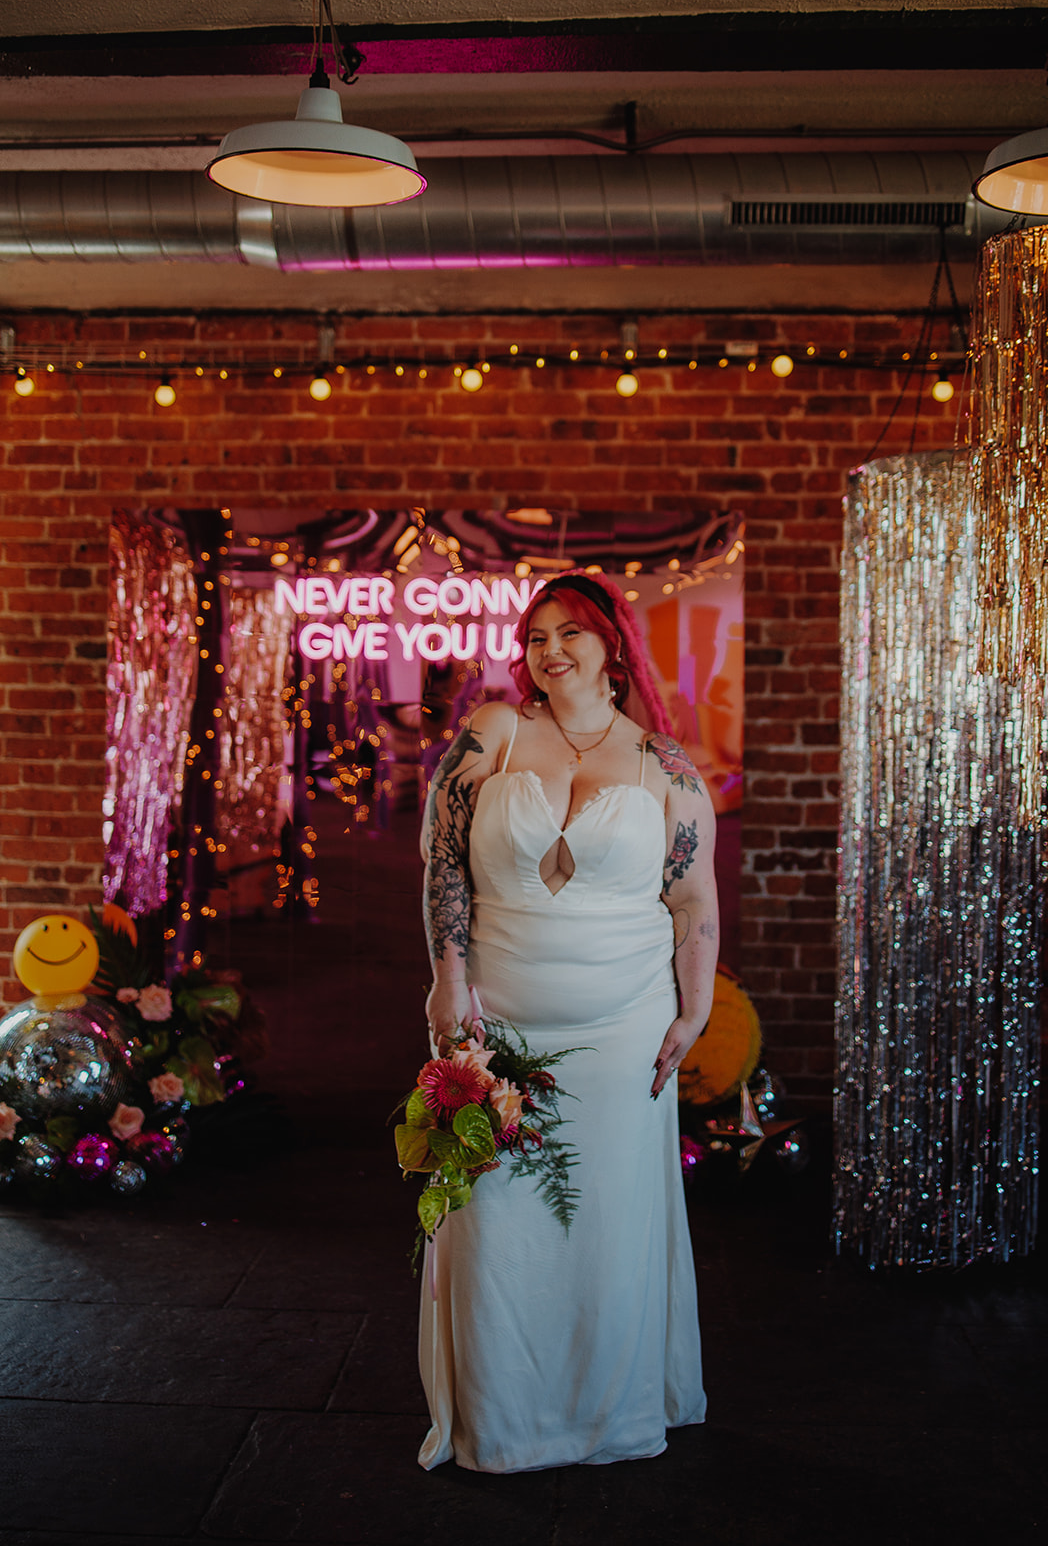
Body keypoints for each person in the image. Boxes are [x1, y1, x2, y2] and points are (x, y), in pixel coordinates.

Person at [417, 571, 719, 1473]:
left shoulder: (664, 764)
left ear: (612, 644)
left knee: (607, 1220)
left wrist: (695, 1007)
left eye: (570, 633)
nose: (550, 650)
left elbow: (692, 895)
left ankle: (610, 1413)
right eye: (537, 635)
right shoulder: (495, 732)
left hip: (626, 1024)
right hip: (494, 1013)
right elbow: (442, 862)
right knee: (495, 1219)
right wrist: (445, 981)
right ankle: (504, 1422)